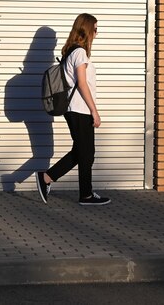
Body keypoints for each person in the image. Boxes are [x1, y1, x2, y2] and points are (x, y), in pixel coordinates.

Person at [36, 13, 110, 206]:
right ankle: (85, 194)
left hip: (76, 109)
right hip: (80, 110)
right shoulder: (79, 53)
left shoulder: (72, 51)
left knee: (83, 152)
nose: (97, 32)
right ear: (87, 29)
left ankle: (47, 177)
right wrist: (94, 110)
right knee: (86, 153)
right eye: (95, 28)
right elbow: (82, 84)